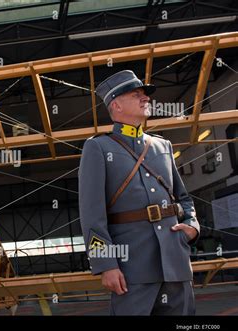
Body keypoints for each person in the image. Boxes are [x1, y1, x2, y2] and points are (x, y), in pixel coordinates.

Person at [78, 70, 200, 315]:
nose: (146, 99)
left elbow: (183, 198)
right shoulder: (98, 147)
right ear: (116, 104)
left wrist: (192, 226)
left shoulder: (162, 145)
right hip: (131, 268)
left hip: (175, 262)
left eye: (145, 95)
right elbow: (92, 215)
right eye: (136, 95)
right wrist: (106, 265)